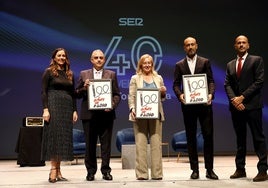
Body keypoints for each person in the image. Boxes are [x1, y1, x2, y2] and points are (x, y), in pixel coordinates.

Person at [173, 37, 218, 180]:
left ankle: (209, 169)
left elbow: (211, 81)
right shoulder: (179, 65)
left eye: (192, 44)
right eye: (187, 45)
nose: (190, 47)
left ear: (196, 46)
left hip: (205, 106)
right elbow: (175, 84)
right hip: (188, 107)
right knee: (190, 138)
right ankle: (195, 170)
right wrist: (180, 95)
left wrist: (210, 94)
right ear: (184, 48)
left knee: (208, 137)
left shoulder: (205, 62)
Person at [224, 35, 268, 182]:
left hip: (252, 106)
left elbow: (259, 82)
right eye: (238, 43)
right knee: (240, 139)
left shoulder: (256, 60)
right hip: (236, 107)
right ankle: (240, 169)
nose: (241, 45)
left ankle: (263, 170)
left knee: (258, 138)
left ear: (248, 45)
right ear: (235, 46)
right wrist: (234, 100)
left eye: (244, 42)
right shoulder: (230, 64)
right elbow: (227, 84)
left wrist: (242, 97)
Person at [75, 49, 121, 181]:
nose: (99, 59)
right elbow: (76, 94)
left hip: (106, 116)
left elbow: (117, 94)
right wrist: (84, 87)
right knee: (90, 145)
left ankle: (106, 171)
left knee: (106, 145)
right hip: (89, 116)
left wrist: (111, 105)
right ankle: (90, 171)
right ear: (91, 60)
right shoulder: (84, 74)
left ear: (104, 60)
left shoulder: (111, 74)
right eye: (96, 57)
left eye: (101, 57)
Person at [41, 48, 78, 183]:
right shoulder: (49, 72)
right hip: (53, 105)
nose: (61, 57)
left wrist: (74, 110)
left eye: (64, 55)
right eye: (59, 55)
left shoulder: (70, 73)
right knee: (54, 137)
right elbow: (44, 92)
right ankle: (52, 169)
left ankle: (58, 169)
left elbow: (73, 94)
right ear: (54, 58)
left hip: (67, 107)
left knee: (62, 138)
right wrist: (45, 109)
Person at [128, 54, 166, 180]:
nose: (147, 65)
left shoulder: (158, 77)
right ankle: (142, 174)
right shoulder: (135, 78)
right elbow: (131, 96)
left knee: (156, 145)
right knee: (140, 145)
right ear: (140, 65)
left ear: (152, 64)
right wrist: (132, 108)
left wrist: (163, 92)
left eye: (149, 63)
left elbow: (162, 98)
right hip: (140, 116)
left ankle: (157, 174)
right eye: (145, 63)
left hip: (155, 116)